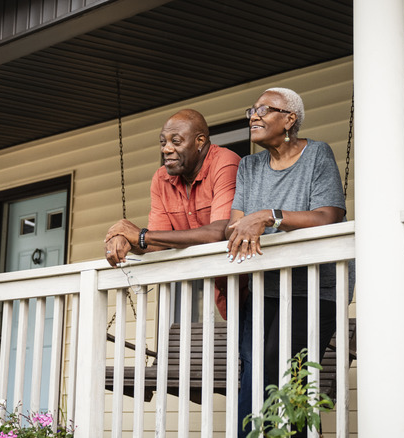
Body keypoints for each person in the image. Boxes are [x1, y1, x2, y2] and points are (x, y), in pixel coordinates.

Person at [226, 87, 354, 437]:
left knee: (284, 369)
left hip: (315, 287)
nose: (254, 116)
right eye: (251, 110)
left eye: (264, 110)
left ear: (289, 119)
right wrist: (251, 221)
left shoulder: (317, 154)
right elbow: (237, 224)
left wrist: (269, 216)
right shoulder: (249, 166)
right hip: (266, 285)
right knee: (254, 373)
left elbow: (328, 215)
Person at [104, 109, 241, 268]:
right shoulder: (161, 178)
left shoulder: (224, 162)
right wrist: (125, 239)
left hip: (238, 280)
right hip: (194, 282)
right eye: (163, 142)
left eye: (176, 141)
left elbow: (219, 233)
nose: (166, 149)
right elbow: (157, 243)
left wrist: (141, 236)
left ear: (200, 141)